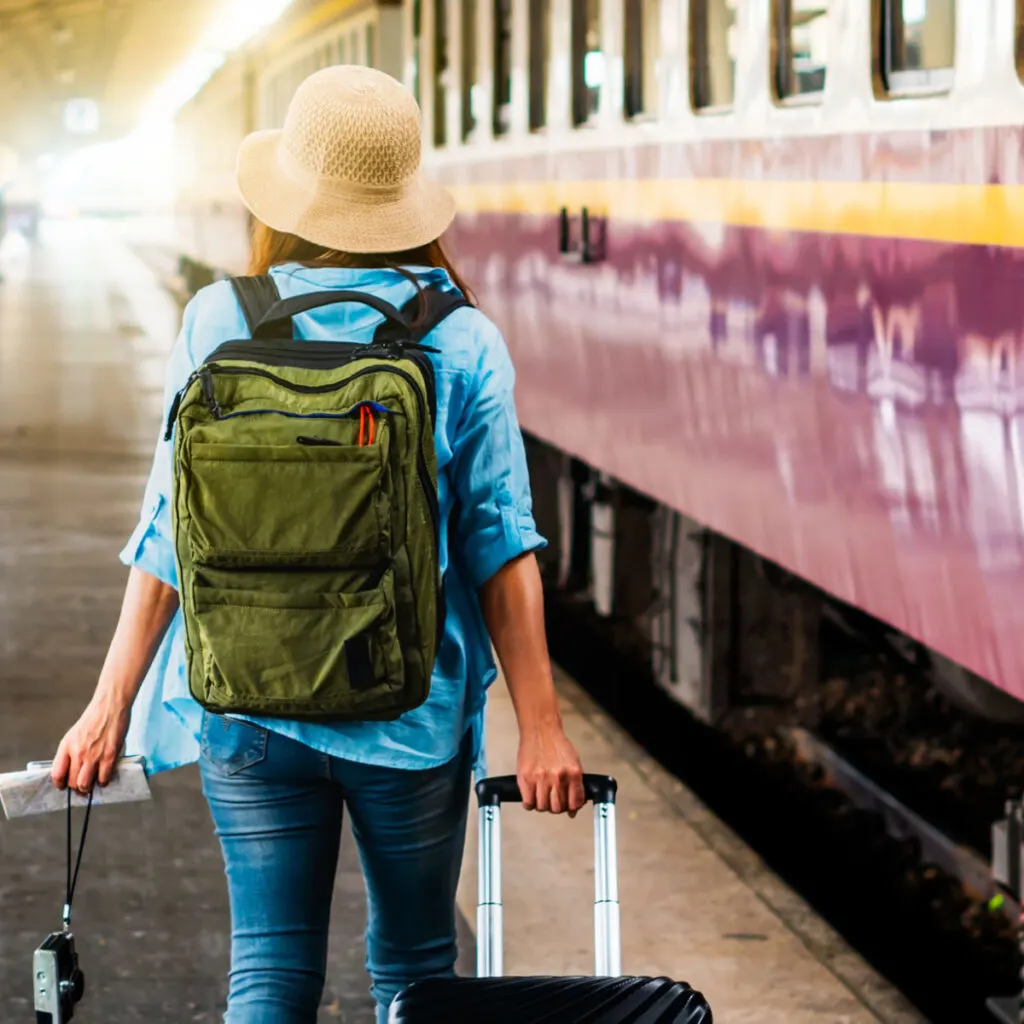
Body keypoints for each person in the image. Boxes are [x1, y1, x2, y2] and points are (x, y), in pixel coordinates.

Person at [50, 65, 586, 1024]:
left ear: (288, 196)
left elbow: (169, 528)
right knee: (417, 974)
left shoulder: (220, 320)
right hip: (409, 712)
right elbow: (502, 545)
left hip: (249, 709)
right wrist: (541, 725)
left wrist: (108, 708)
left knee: (267, 972)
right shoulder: (460, 340)